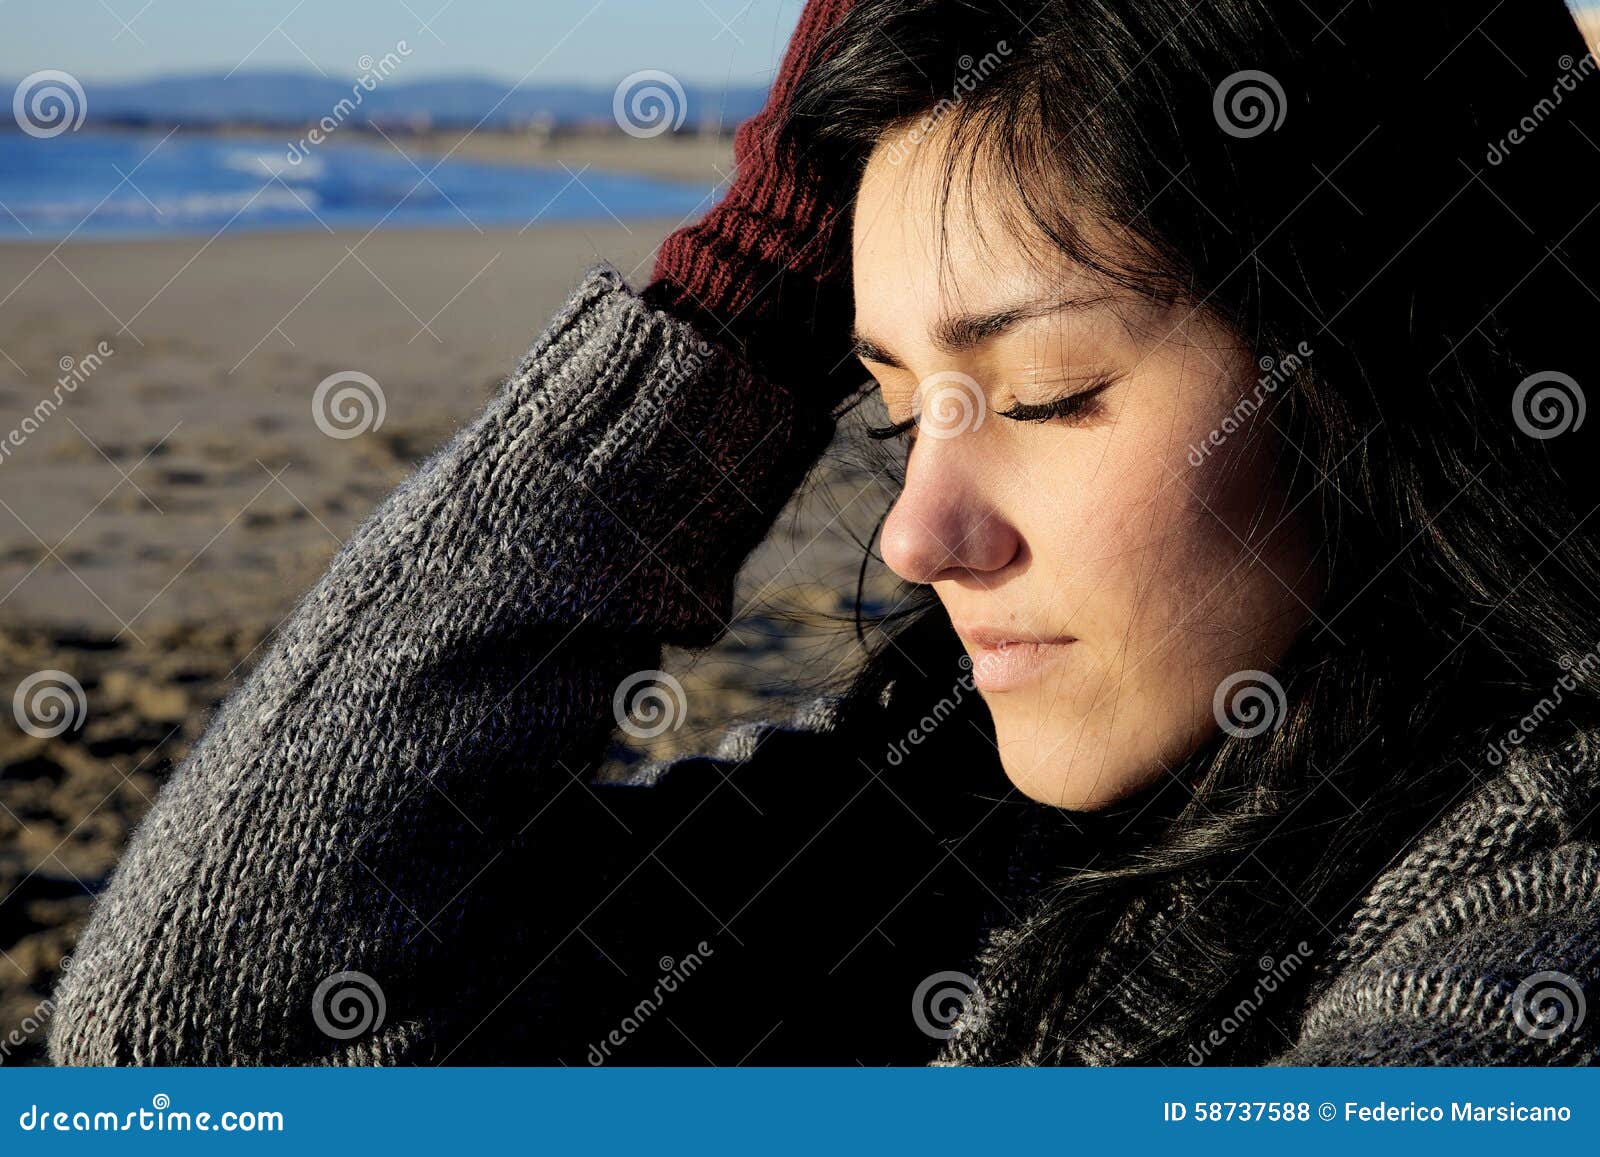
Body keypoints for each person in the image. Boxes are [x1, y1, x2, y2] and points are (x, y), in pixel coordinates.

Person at [51, 0, 1600, 1066]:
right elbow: (206, 1035)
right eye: (883, 400)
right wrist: (737, 298)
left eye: (1051, 394)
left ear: (1387, 357)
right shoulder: (942, 821)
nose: (919, 534)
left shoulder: (1532, 918)